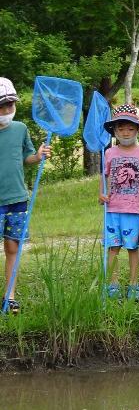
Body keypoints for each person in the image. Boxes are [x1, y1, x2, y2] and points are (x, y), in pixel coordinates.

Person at [0, 77, 51, 314]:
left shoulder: (20, 128)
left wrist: (39, 155)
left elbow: (27, 158)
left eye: (10, 105)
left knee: (13, 247)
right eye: (2, 106)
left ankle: (9, 296)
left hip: (18, 199)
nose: (7, 110)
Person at [99, 104, 139, 301]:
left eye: (130, 128)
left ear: (138, 130)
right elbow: (104, 176)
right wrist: (102, 193)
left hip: (133, 210)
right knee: (113, 247)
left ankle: (133, 284)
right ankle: (112, 284)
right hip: (112, 209)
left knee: (132, 247)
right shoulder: (109, 153)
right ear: (114, 131)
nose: (125, 132)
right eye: (121, 128)